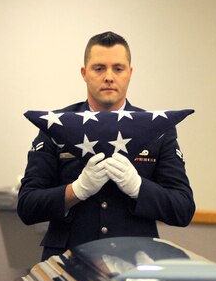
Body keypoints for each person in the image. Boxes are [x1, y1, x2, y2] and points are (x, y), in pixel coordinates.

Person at [17, 31, 195, 260]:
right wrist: (76, 190)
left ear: (130, 73)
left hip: (136, 263)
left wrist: (139, 188)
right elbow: (27, 206)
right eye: (99, 68)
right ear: (84, 73)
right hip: (67, 262)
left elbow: (182, 209)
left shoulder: (157, 130)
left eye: (118, 69)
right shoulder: (57, 126)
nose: (109, 77)